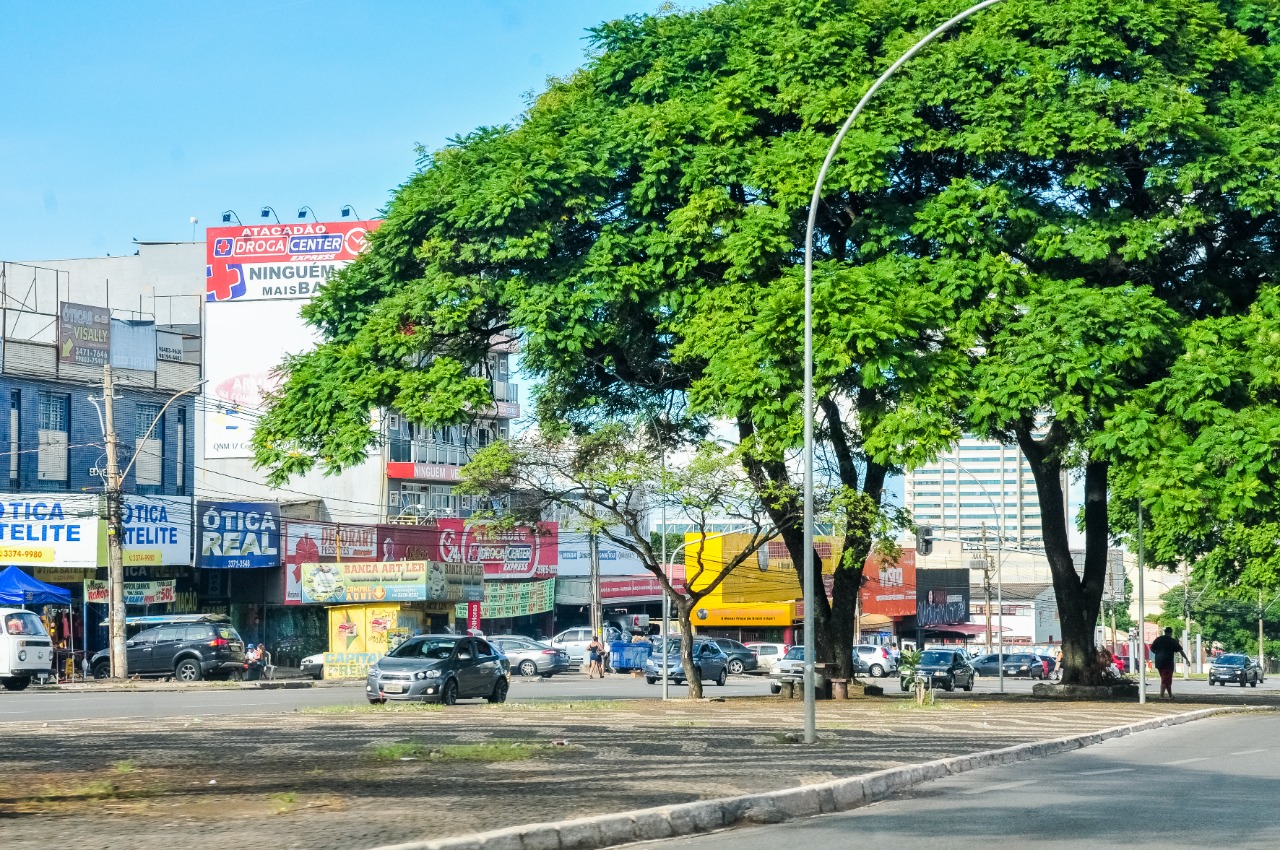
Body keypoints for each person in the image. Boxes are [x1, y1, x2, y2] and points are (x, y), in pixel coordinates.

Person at [1150, 627, 1190, 700]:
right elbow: (1181, 651)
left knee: (1166, 679)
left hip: (1159, 662)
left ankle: (1170, 695)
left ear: (1165, 632)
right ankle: (1161, 695)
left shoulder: (1158, 639)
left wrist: (1157, 653)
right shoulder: (1172, 641)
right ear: (1171, 633)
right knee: (1165, 680)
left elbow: (1152, 648)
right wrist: (1187, 659)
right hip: (1168, 662)